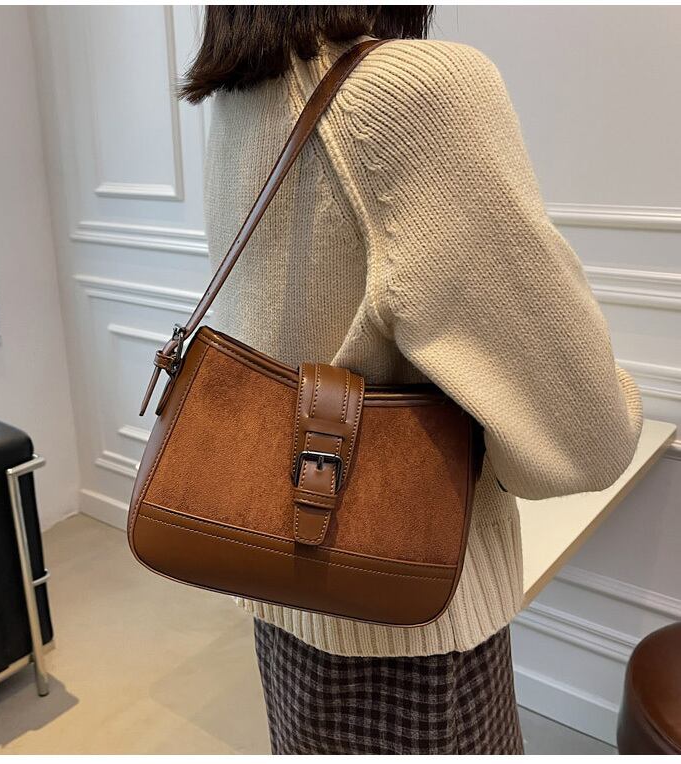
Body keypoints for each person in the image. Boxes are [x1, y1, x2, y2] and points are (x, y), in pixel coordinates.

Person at [179, 6, 643, 755]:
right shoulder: (409, 91)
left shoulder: (239, 101)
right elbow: (586, 434)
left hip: (279, 582)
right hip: (407, 617)